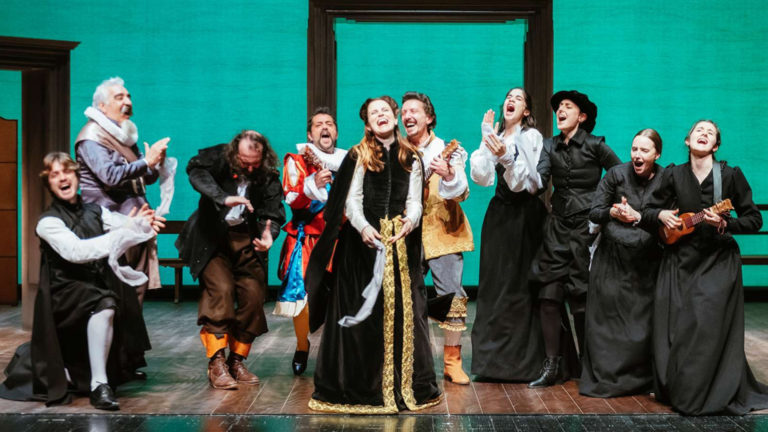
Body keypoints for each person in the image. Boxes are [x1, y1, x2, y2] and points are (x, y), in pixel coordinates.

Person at [305, 96, 441, 413]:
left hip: (401, 245)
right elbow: (351, 200)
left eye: (384, 110)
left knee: (406, 314)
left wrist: (410, 221)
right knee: (365, 317)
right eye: (373, 113)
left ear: (394, 116)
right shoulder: (359, 154)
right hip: (362, 248)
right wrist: (364, 227)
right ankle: (364, 387)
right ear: (367, 123)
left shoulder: (411, 156)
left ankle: (405, 387)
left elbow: (415, 200)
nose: (380, 115)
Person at [0, 152, 162, 410]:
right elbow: (77, 252)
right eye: (55, 175)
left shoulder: (95, 211)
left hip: (91, 284)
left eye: (67, 172)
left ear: (76, 177)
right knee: (105, 302)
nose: (62, 178)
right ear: (49, 184)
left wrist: (143, 224)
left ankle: (98, 375)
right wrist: (128, 231)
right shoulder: (48, 222)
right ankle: (99, 385)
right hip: (63, 293)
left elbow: (125, 225)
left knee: (112, 294)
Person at [640, 120, 768, 415]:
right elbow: (647, 211)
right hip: (679, 261)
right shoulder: (673, 174)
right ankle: (681, 388)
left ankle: (707, 393)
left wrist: (726, 223)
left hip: (718, 261)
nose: (704, 133)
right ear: (688, 141)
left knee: (704, 324)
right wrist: (661, 216)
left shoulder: (730, 175)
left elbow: (754, 219)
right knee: (677, 328)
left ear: (716, 146)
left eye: (710, 133)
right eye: (699, 130)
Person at [176, 130, 285, 390]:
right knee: (221, 291)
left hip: (246, 240)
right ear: (235, 153)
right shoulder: (219, 157)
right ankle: (216, 362)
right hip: (212, 239)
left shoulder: (267, 175)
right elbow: (195, 171)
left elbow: (273, 214)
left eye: (254, 163)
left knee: (254, 296)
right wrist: (223, 198)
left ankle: (236, 360)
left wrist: (269, 236)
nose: (249, 168)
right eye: (245, 162)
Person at [528, 90, 621, 388]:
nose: (561, 110)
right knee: (549, 294)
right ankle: (552, 365)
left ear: (581, 116)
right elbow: (540, 180)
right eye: (558, 107)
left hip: (586, 229)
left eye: (568, 106)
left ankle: (587, 365)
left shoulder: (595, 144)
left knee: (581, 297)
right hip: (557, 227)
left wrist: (603, 208)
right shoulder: (549, 145)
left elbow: (619, 174)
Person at [579, 129, 665, 397]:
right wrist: (613, 212)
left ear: (657, 155)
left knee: (642, 321)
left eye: (644, 150)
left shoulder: (666, 178)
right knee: (607, 322)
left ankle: (642, 379)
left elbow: (671, 215)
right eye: (634, 149)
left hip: (646, 262)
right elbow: (595, 212)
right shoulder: (616, 174)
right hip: (612, 258)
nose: (637, 155)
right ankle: (607, 378)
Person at [469, 87, 547, 382]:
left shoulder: (531, 136)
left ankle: (523, 363)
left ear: (526, 111)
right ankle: (492, 362)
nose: (511, 100)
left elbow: (527, 183)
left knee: (520, 284)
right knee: (495, 285)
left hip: (525, 215)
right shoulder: (497, 135)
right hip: (500, 215)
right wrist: (486, 140)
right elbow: (482, 178)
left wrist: (507, 157)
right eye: (508, 97)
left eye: (518, 98)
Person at [75, 76, 170, 305]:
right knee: (116, 290)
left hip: (138, 221)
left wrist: (155, 162)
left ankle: (131, 330)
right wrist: (146, 162)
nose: (127, 101)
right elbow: (109, 176)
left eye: (128, 96)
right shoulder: (92, 136)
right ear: (102, 106)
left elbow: (145, 178)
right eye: (119, 97)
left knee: (136, 290)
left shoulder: (124, 135)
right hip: (110, 222)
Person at [400, 91, 473, 384]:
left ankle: (452, 362)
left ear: (429, 117)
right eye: (404, 111)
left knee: (453, 296)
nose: (407, 116)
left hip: (444, 228)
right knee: (406, 295)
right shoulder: (397, 150)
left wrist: (449, 174)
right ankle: (411, 360)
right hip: (408, 231)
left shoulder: (447, 149)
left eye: (414, 110)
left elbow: (463, 192)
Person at [276, 107, 347, 376]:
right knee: (303, 295)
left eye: (329, 124)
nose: (325, 127)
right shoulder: (297, 160)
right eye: (319, 124)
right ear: (310, 134)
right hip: (308, 238)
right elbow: (292, 199)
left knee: (342, 294)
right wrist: (313, 183)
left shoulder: (348, 161)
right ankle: (302, 345)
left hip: (341, 238)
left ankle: (336, 350)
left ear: (336, 132)